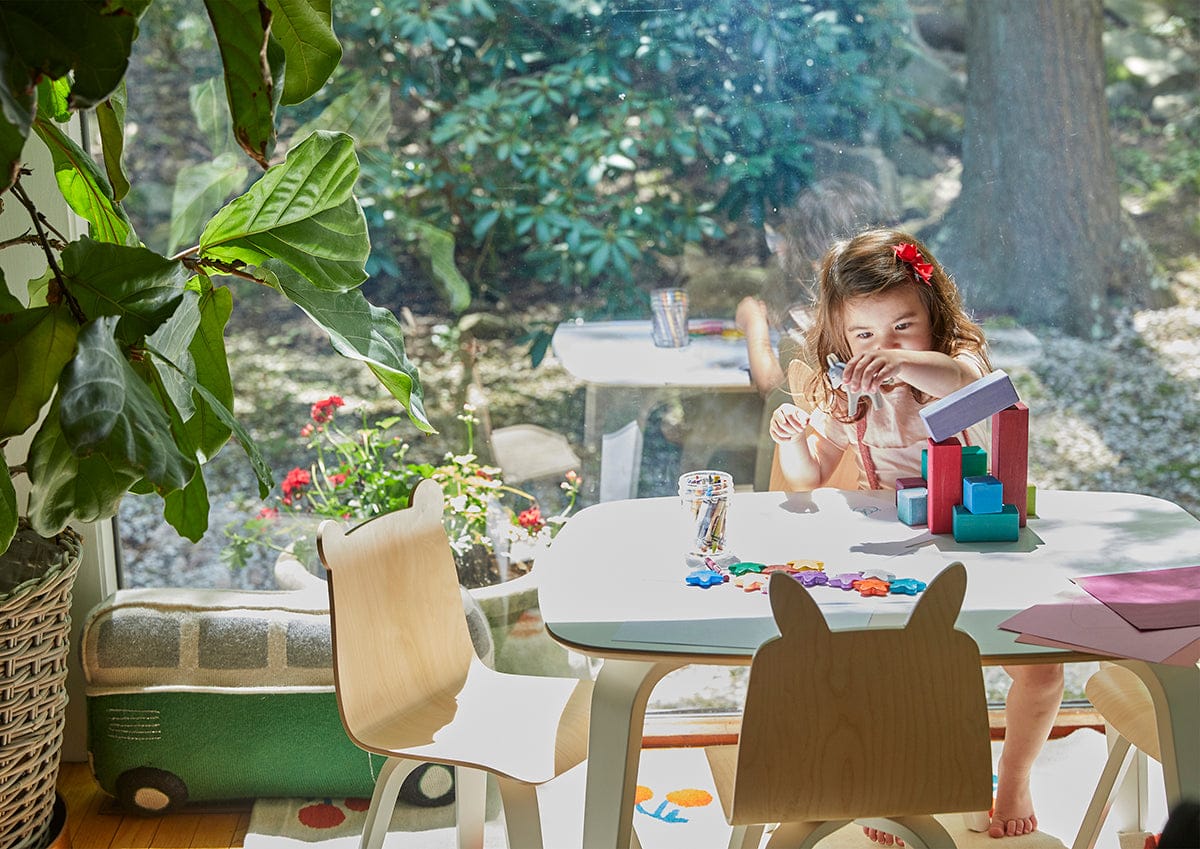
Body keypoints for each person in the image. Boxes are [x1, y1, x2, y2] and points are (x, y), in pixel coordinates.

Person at [769, 228, 1063, 843]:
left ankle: (1014, 777)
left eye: (902, 327)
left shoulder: (961, 366)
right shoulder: (849, 392)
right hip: (897, 551)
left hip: (977, 537)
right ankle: (894, 786)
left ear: (933, 316)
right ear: (840, 338)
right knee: (879, 666)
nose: (882, 348)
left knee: (1041, 671)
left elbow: (962, 382)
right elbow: (807, 480)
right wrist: (794, 438)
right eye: (864, 336)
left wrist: (904, 364)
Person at [737, 173, 893, 400]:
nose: (780, 249)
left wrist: (754, 324)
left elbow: (776, 388)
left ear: (814, 249)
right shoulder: (885, 295)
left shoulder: (831, 312)